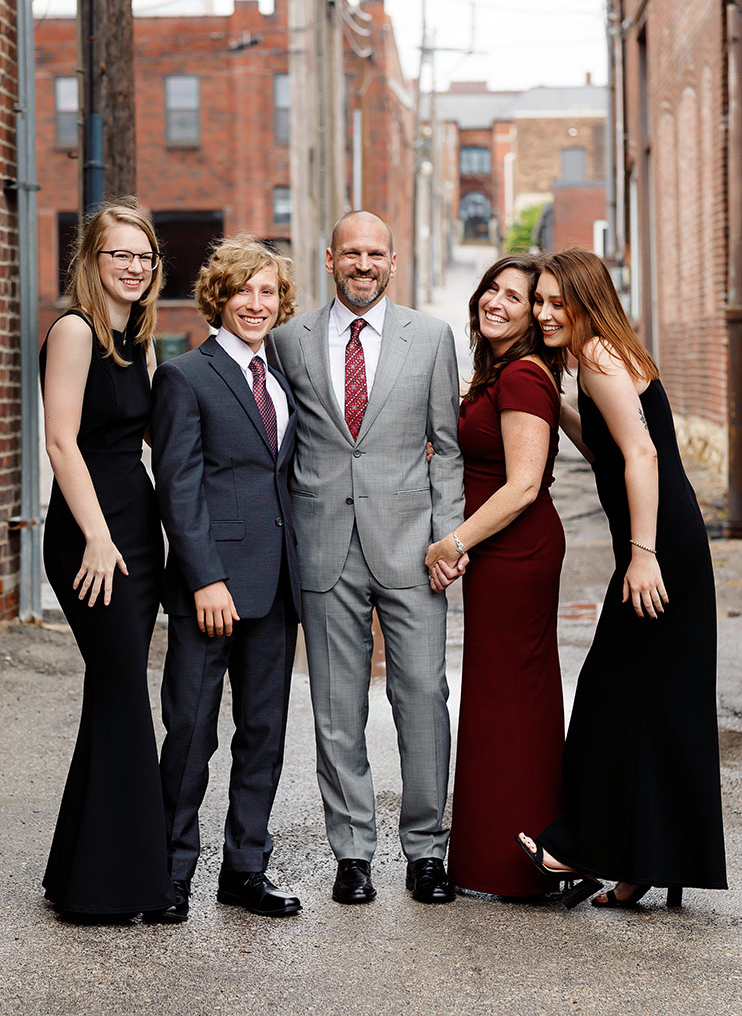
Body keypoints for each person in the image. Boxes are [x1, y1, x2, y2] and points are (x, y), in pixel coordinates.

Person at [518, 247, 727, 909]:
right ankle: (641, 866)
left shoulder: (600, 357)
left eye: (558, 303)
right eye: (539, 301)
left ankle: (578, 846)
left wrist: (641, 554)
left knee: (608, 696)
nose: (544, 313)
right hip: (670, 542)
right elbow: (606, 448)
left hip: (661, 548)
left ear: (587, 303)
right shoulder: (601, 357)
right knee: (655, 704)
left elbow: (641, 455)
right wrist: (559, 406)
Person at [270, 210, 464, 905]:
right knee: (334, 706)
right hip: (323, 544)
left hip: (413, 547)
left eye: (375, 254)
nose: (363, 264)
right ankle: (351, 853)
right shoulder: (288, 340)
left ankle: (427, 851)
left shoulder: (431, 338)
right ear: (329, 259)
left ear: (392, 261)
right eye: (351, 253)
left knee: (423, 696)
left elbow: (447, 447)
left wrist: (449, 537)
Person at [150, 235, 302, 922]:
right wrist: (206, 578)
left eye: (268, 291)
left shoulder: (283, 377)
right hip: (209, 590)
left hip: (276, 587)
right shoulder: (185, 376)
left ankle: (245, 869)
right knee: (190, 732)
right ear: (218, 296)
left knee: (263, 733)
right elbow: (178, 487)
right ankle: (170, 870)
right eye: (243, 289)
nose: (256, 303)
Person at [41, 200, 176, 922]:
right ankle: (121, 884)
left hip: (137, 529)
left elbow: (151, 435)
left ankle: (80, 869)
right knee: (124, 690)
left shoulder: (139, 335)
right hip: (90, 534)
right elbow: (62, 442)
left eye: (144, 256)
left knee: (113, 692)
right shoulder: (73, 330)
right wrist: (96, 535)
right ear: (92, 260)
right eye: (119, 254)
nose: (134, 266)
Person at [424, 255, 565, 899]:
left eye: (515, 296)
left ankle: (522, 859)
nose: (497, 302)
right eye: (492, 289)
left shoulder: (524, 375)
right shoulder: (499, 372)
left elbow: (524, 485)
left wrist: (452, 542)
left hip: (518, 552)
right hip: (498, 551)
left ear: (532, 316)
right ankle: (499, 856)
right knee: (496, 698)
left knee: (513, 701)